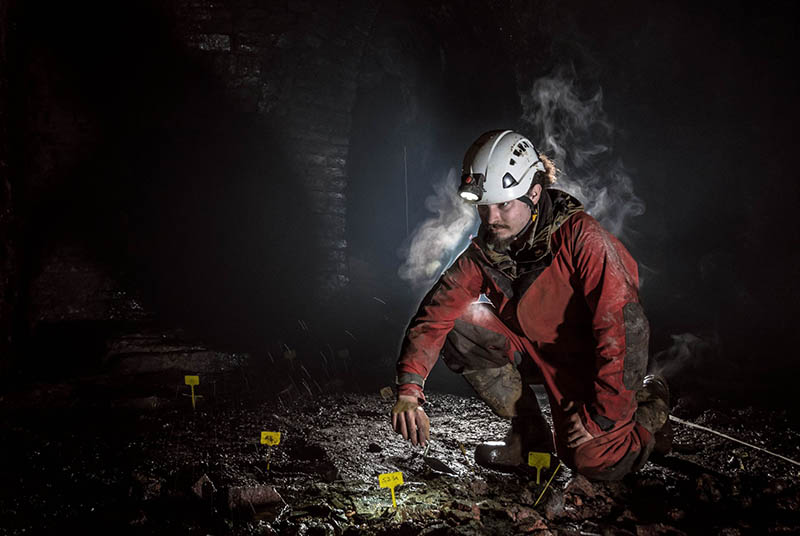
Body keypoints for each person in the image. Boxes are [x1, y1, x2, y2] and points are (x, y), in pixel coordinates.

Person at [390, 130, 670, 480]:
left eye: (503, 204)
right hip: (538, 354)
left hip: (593, 365)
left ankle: (650, 412)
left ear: (534, 193)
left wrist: (604, 417)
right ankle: (530, 439)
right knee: (459, 324)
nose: (490, 218)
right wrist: (409, 390)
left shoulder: (583, 239)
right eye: (483, 205)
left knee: (594, 462)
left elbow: (626, 330)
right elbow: (435, 314)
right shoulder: (486, 251)